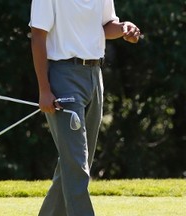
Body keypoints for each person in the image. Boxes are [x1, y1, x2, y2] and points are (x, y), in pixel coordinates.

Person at [29, 0, 141, 215]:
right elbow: (37, 36)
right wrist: (44, 89)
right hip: (63, 76)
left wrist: (124, 28)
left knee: (76, 163)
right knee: (76, 165)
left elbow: (107, 26)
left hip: (94, 75)